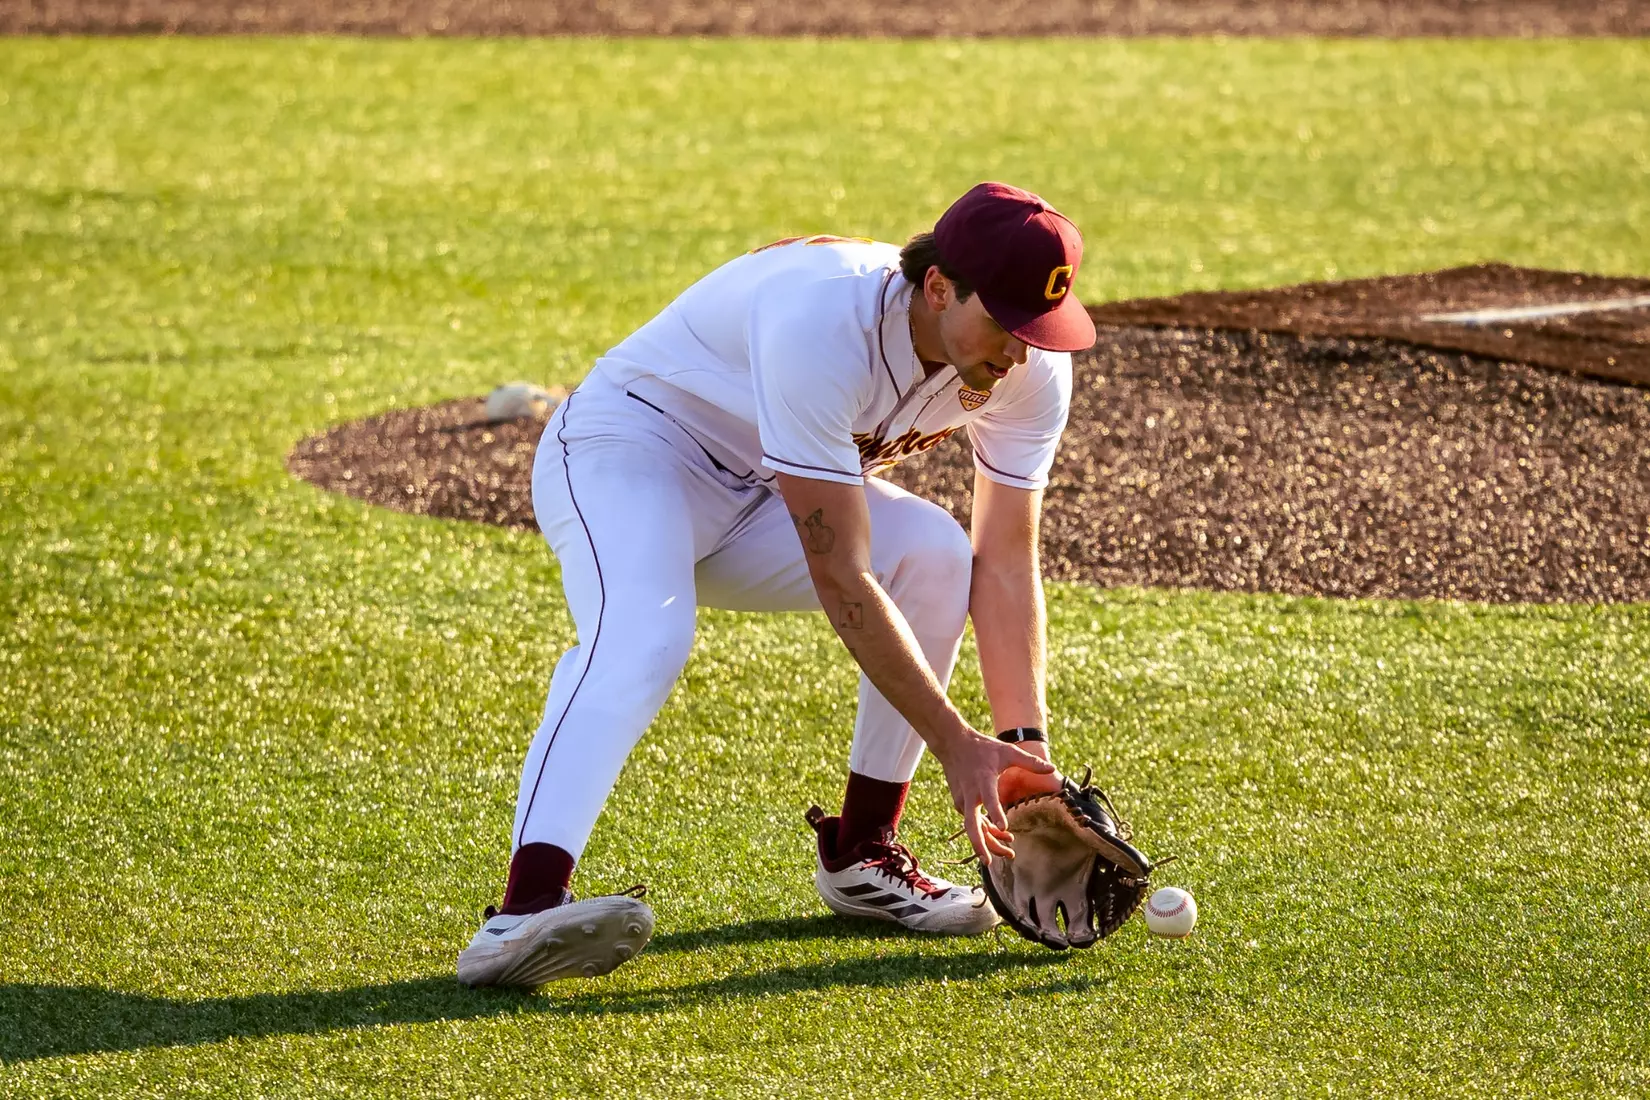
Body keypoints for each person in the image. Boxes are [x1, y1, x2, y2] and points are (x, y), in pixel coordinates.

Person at [458, 181, 1096, 988]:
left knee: (935, 554)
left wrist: (1019, 752)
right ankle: (522, 912)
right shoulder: (822, 322)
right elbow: (841, 571)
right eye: (1004, 321)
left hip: (764, 492)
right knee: (645, 639)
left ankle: (864, 854)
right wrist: (950, 740)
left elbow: (1002, 558)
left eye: (1037, 328)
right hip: (631, 452)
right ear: (937, 286)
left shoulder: (1028, 372)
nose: (1019, 351)